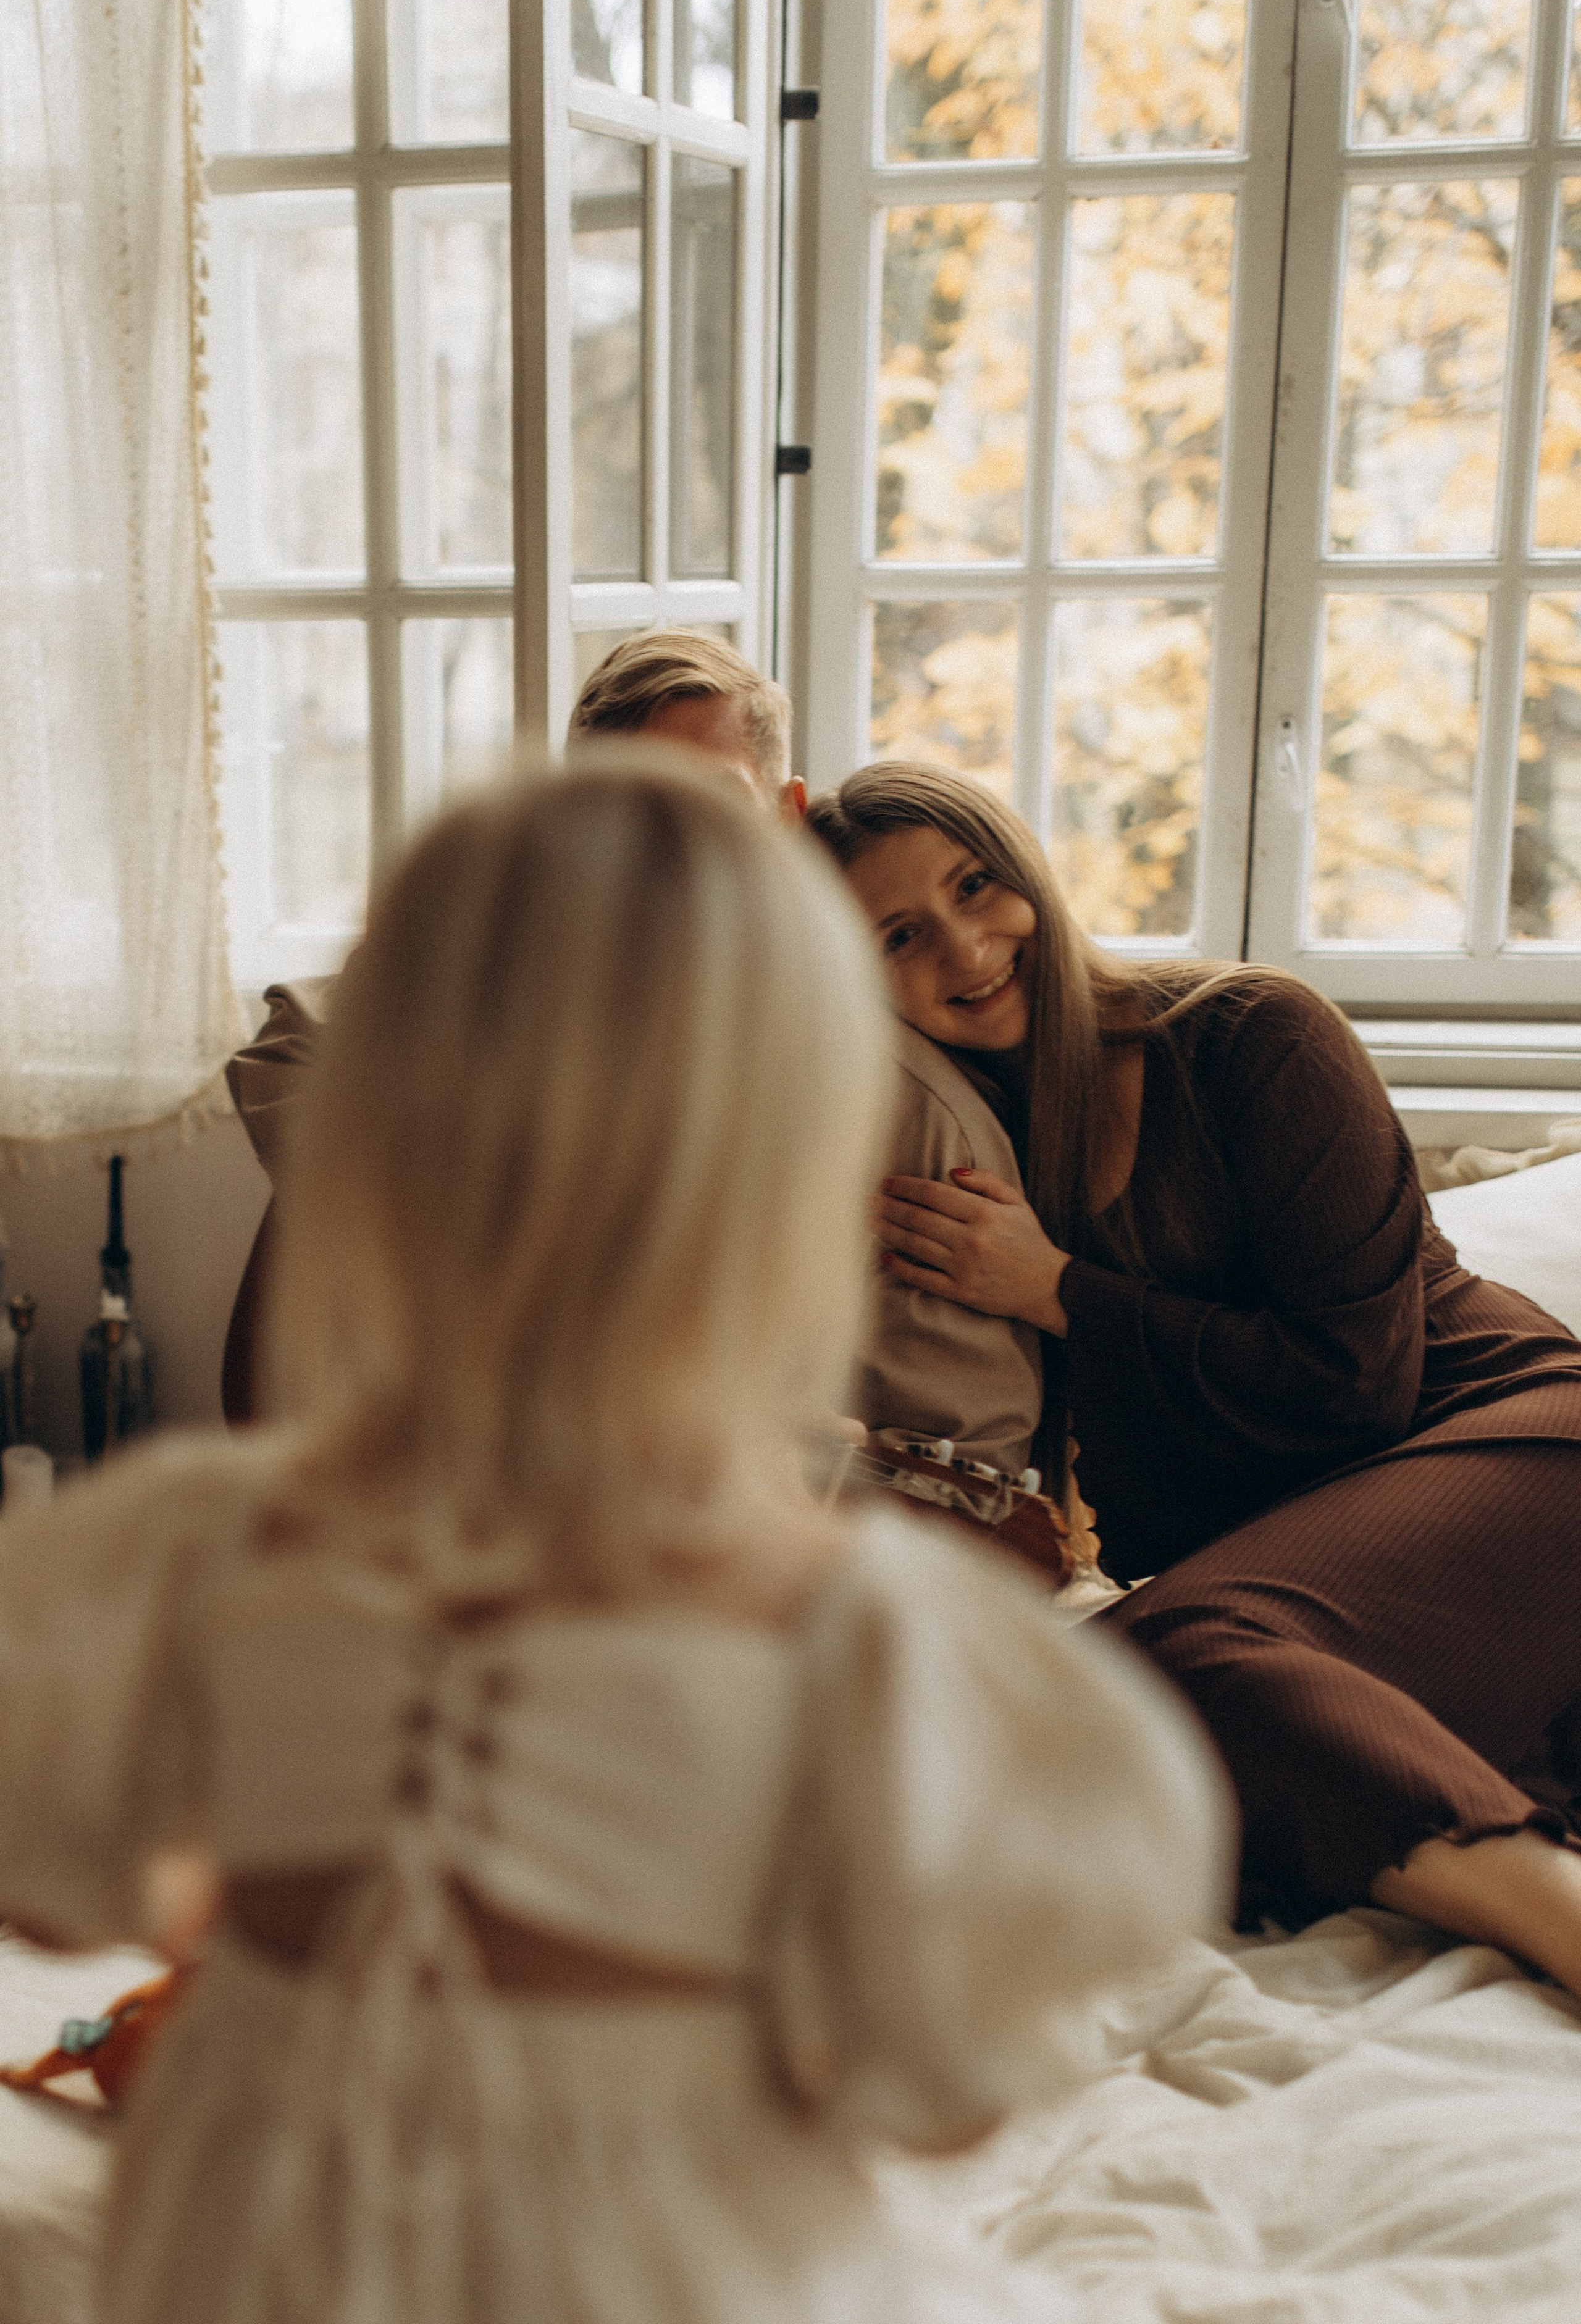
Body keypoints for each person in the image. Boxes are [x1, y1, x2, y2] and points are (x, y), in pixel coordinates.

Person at [0, 757, 1228, 2324]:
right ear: (793, 1179)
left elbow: (57, 1895)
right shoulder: (861, 1642)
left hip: (250, 2264)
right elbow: (941, 2093)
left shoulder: (179, 1550)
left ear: (370, 1137)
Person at [808, 759, 1581, 1999]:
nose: (963, 947)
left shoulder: (1247, 1035)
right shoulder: (955, 1144)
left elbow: (1355, 1381)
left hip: (1514, 1442)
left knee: (1174, 1653)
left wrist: (1056, 1288)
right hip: (1334, 1582)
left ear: (1030, 876)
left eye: (975, 885)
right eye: (900, 934)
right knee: (1057, 1728)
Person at [224, 634, 1045, 1471]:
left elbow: (970, 1467)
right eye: (633, 821)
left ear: (787, 816)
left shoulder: (914, 1117)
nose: (671, 856)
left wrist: (774, 1465)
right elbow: (295, 1042)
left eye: (715, 805)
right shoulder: (512, 992)